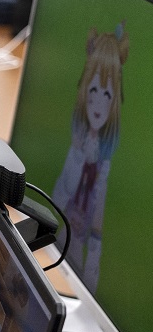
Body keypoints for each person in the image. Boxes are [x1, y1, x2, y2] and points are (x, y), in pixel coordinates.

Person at [51, 23, 129, 293]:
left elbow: (98, 221)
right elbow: (59, 196)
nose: (97, 103)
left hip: (85, 236)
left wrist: (95, 244)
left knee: (87, 276)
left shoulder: (104, 164)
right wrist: (76, 155)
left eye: (106, 95)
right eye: (93, 91)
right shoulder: (77, 147)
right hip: (64, 235)